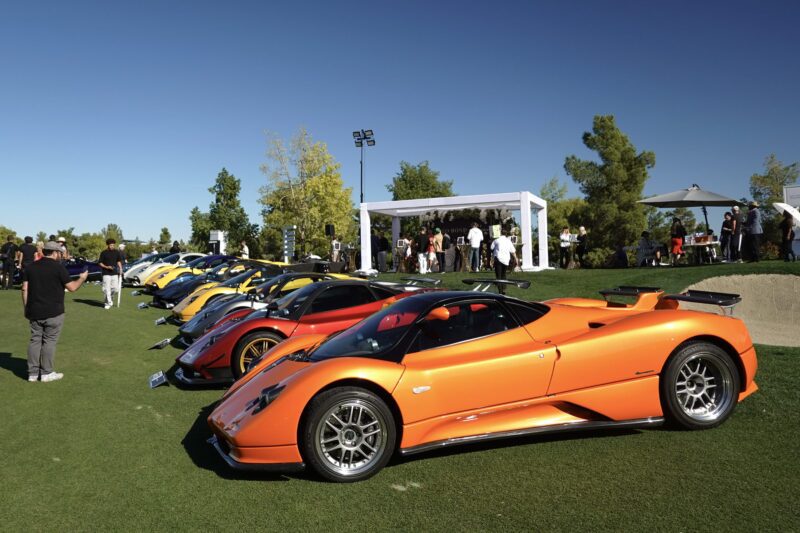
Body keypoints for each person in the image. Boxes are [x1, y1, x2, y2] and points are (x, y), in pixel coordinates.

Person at [22, 241, 88, 382]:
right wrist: (82, 278)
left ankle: (32, 373)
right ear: (55, 253)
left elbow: (24, 288)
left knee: (35, 341)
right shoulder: (59, 268)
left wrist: (26, 307)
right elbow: (72, 287)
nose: (61, 255)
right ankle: (46, 373)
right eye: (60, 252)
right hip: (54, 311)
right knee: (49, 342)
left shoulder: (30, 267)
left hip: (34, 310)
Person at [98, 238, 124, 309]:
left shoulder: (116, 252)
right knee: (106, 289)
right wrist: (107, 267)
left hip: (114, 273)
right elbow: (100, 263)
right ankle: (107, 303)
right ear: (108, 245)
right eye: (111, 245)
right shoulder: (104, 253)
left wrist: (121, 269)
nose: (112, 246)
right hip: (106, 273)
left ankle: (110, 299)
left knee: (115, 289)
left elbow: (118, 261)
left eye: (113, 245)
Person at [491, 229, 516, 294]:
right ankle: (504, 288)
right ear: (506, 234)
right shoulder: (508, 241)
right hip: (506, 260)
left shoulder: (496, 240)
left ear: (500, 233)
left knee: (498, 275)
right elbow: (513, 251)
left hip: (498, 259)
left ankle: (500, 291)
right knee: (504, 274)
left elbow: (491, 248)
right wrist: (516, 258)